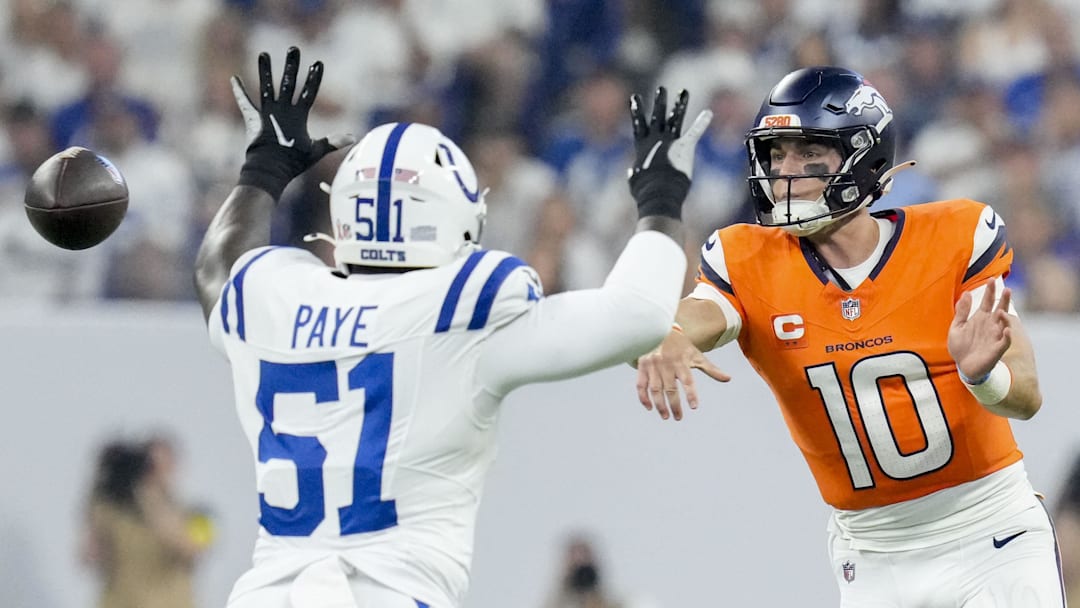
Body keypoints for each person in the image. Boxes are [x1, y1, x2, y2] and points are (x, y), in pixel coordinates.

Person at [192, 47, 710, 608]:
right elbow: (637, 314)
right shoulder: (462, 310)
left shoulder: (275, 295)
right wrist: (660, 197)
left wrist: (263, 169)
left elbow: (218, 267)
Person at [635, 66, 1065, 605]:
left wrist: (980, 375)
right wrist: (669, 332)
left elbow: (1026, 397)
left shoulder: (955, 235)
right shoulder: (746, 258)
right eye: (775, 155)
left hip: (988, 532)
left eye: (808, 153)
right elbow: (699, 313)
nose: (784, 172)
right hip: (871, 553)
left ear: (865, 156)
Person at [81, 436, 211, 608]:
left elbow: (190, 549)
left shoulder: (196, 516)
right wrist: (100, 495)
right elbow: (90, 557)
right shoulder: (115, 514)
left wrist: (150, 498)